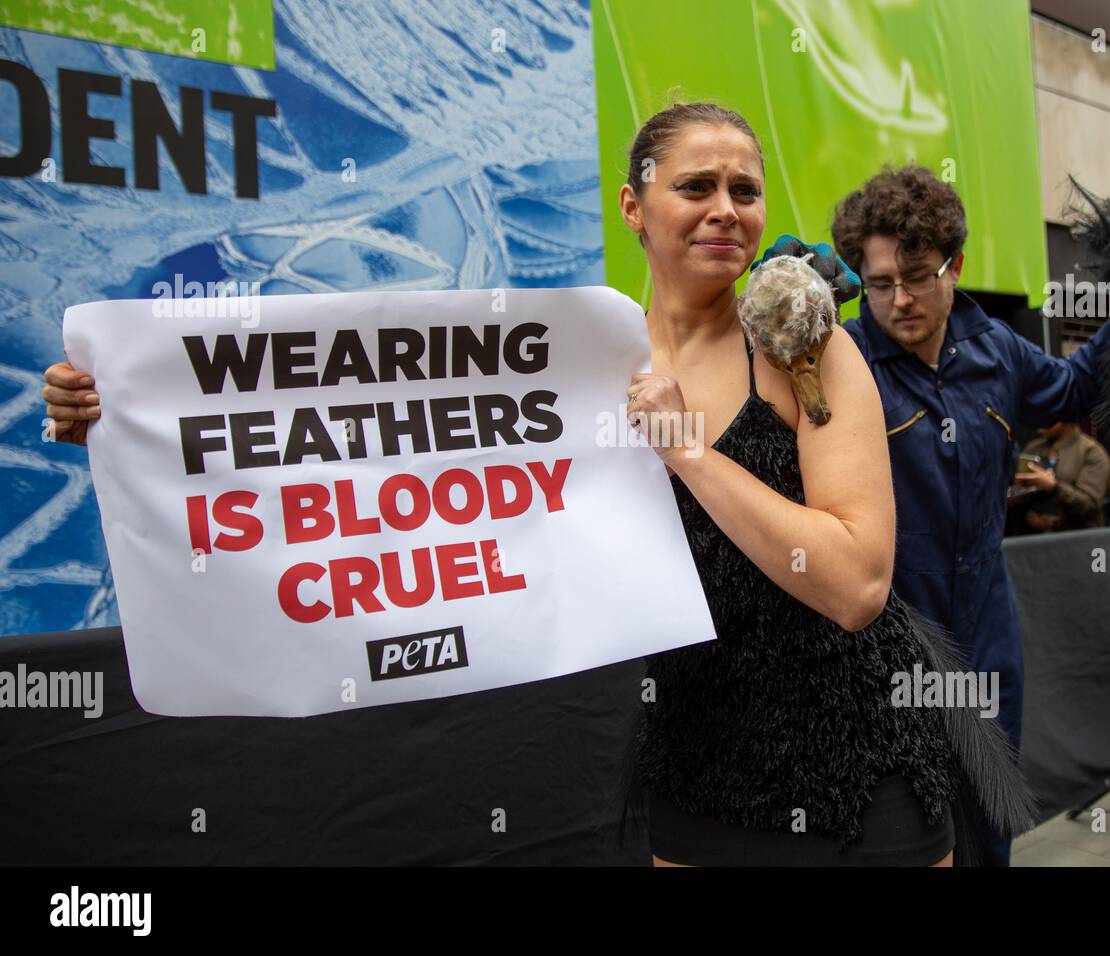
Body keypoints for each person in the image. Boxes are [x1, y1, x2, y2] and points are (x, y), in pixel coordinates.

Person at [48, 101, 1033, 866]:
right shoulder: (567, 359)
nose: (725, 209)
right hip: (694, 768)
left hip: (858, 769)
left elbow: (858, 581)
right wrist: (128, 414)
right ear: (633, 207)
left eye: (745, 188)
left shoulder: (806, 345)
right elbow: (345, 436)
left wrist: (691, 450)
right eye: (696, 185)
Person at [814, 163, 1110, 865]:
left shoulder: (998, 352)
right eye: (879, 282)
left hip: (985, 643)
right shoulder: (836, 357)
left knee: (984, 832)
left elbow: (1073, 390)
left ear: (956, 266)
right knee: (890, 837)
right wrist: (775, 308)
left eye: (917, 277)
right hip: (876, 655)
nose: (899, 300)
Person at [1007, 422, 1110, 534]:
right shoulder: (1034, 448)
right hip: (1030, 539)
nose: (1039, 419)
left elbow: (1090, 506)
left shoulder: (1091, 452)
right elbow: (1014, 497)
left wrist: (1054, 487)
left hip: (1076, 539)